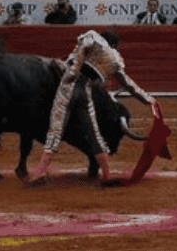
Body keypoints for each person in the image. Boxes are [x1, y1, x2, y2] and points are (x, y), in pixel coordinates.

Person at [29, 29, 158, 184]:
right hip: (86, 92)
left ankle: (41, 172)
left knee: (56, 130)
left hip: (68, 88)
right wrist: (149, 100)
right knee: (93, 133)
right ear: (115, 44)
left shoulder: (93, 37)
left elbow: (83, 46)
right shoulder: (116, 59)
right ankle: (107, 175)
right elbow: (129, 85)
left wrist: (74, 68)